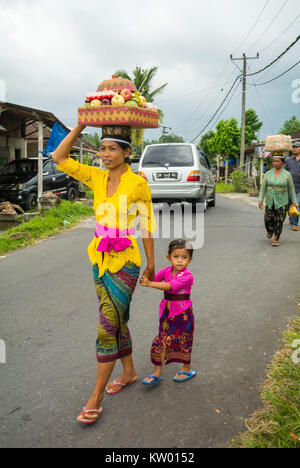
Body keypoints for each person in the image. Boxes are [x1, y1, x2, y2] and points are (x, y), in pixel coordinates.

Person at [52, 124, 157, 424]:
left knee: (106, 326)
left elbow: (147, 225)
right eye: (102, 148)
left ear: (127, 152)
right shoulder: (95, 176)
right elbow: (59, 158)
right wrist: (81, 125)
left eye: (112, 149)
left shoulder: (138, 184)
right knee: (117, 319)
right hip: (98, 260)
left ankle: (95, 396)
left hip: (126, 263)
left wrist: (151, 264)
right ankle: (129, 372)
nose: (105, 154)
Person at [140, 239, 196, 384]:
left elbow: (169, 286)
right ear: (168, 257)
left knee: (183, 341)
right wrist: (149, 272)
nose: (179, 261)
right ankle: (157, 371)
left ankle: (186, 368)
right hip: (166, 313)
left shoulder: (187, 276)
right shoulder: (166, 271)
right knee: (161, 340)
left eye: (184, 257)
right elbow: (154, 278)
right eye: (176, 256)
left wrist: (150, 283)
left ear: (190, 259)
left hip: (183, 315)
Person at [258, 154, 298, 247]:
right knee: (267, 220)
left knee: (279, 221)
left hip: (282, 201)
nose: (275, 163)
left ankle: (276, 239)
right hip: (270, 201)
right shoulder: (268, 174)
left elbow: (291, 189)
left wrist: (294, 202)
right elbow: (263, 188)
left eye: (277, 161)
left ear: (283, 163)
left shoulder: (287, 175)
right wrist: (260, 200)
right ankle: (269, 230)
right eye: (274, 161)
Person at [285, 141, 300, 231]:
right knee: (288, 205)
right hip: (289, 187)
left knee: (297, 205)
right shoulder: (288, 160)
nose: (294, 148)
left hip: (299, 188)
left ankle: (294, 224)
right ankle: (290, 218)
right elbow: (283, 171)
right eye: (293, 147)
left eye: (296, 147)